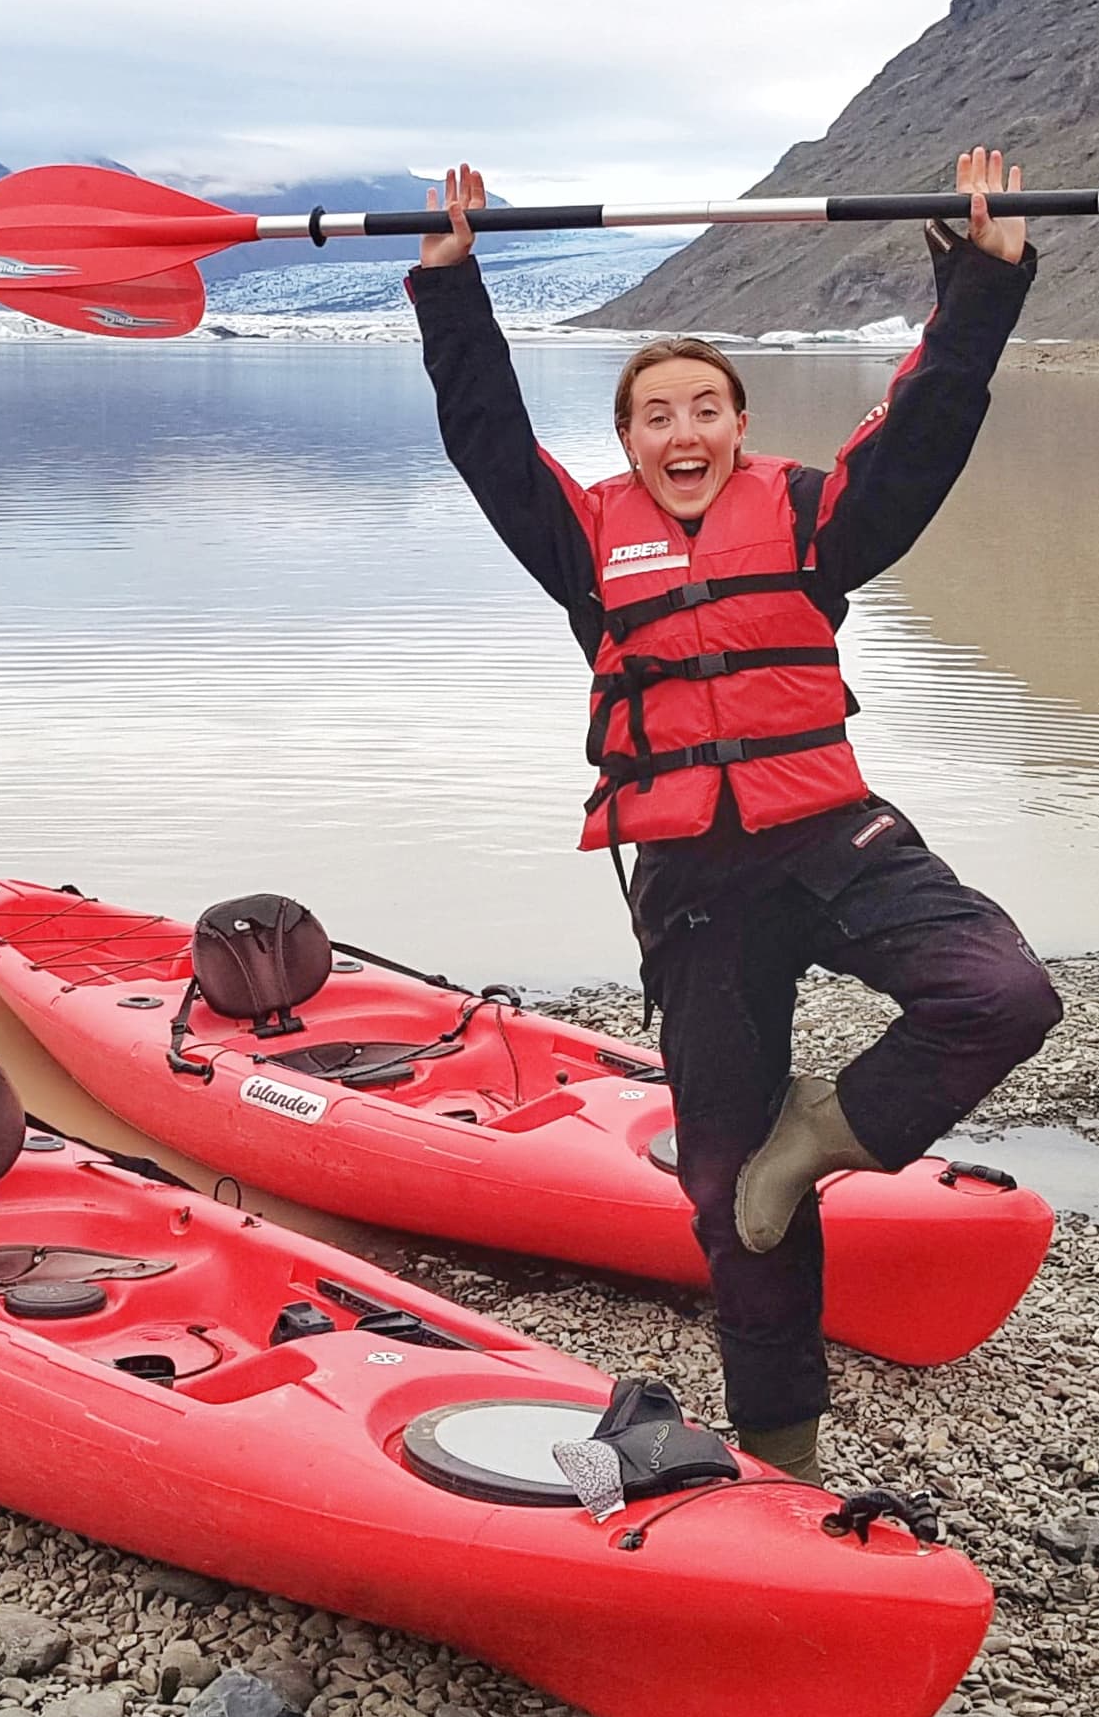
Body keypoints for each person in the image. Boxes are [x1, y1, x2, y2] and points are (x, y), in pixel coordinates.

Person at [407, 157, 1060, 1479]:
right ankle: (784, 1455)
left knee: (1002, 994)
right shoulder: (584, 543)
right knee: (726, 1191)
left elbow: (925, 427)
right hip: (695, 883)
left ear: (742, 426)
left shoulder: (815, 518)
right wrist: (450, 286)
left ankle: (827, 1131)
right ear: (629, 442)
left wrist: (984, 284)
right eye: (656, 414)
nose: (683, 429)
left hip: (828, 835)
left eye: (705, 406)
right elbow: (485, 437)